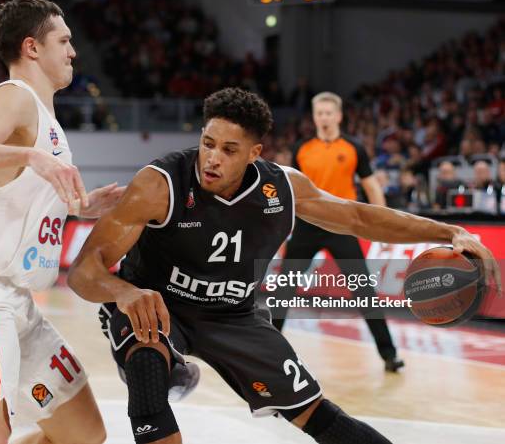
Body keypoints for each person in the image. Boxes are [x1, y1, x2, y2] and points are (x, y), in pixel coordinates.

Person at [67, 87, 500, 444]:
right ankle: (166, 365)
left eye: (229, 150)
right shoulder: (159, 184)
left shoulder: (283, 188)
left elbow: (359, 216)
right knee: (146, 358)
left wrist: (446, 232)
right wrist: (124, 292)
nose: (212, 158)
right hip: (156, 304)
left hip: (234, 316)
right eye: (208, 143)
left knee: (316, 413)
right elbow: (85, 269)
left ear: (254, 153)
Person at [0, 0, 122, 444]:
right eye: (65, 40)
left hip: (19, 301)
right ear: (32, 48)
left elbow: (17, 192)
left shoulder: (43, 114)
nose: (73, 51)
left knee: (84, 433)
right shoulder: (15, 97)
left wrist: (80, 205)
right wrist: (30, 154)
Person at [278, 91, 403, 372]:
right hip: (307, 225)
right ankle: (268, 353)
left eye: (328, 113)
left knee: (364, 291)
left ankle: (389, 354)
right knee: (284, 289)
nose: (323, 118)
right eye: (318, 113)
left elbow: (371, 187)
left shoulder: (353, 148)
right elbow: (292, 190)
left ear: (338, 116)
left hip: (342, 227)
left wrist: (382, 224)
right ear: (314, 116)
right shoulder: (301, 149)